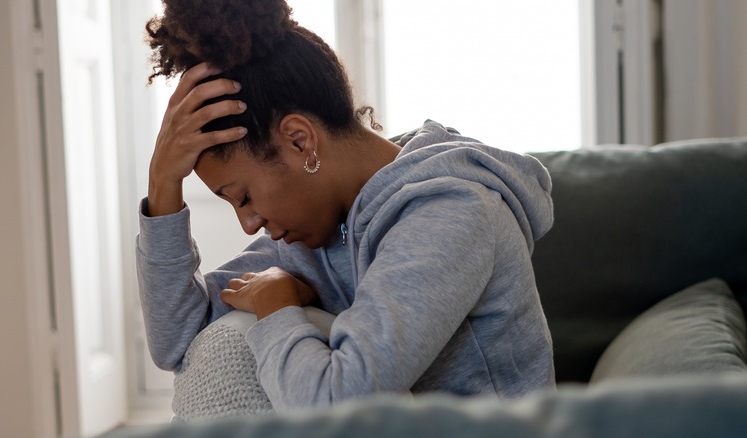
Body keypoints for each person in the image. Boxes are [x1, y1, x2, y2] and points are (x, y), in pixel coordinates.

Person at [138, 0, 556, 417]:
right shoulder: (323, 230)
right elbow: (177, 340)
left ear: (300, 141)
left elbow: (336, 407)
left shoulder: (452, 212)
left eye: (244, 196)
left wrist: (278, 307)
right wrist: (162, 186)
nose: (249, 225)